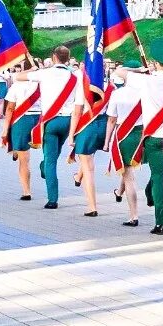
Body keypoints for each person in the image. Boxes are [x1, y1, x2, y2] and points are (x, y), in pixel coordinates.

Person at [127, 39, 163, 235]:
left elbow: (120, 73)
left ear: (155, 62)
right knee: (159, 173)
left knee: (158, 176)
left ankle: (161, 221)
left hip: (153, 135)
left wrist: (142, 72)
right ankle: (150, 192)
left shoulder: (146, 80)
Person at [29, 46, 78, 211]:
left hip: (51, 120)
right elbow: (78, 104)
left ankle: (52, 199)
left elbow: (19, 77)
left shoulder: (44, 73)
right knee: (53, 156)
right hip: (68, 121)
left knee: (50, 161)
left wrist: (34, 69)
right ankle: (44, 167)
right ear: (68, 58)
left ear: (54, 57)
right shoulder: (75, 75)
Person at [105, 57, 147, 228]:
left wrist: (107, 141)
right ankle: (119, 191)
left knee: (128, 176)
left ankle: (134, 215)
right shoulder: (146, 92)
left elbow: (111, 120)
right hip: (141, 133)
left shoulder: (117, 93)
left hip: (123, 133)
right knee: (127, 168)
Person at [68, 60, 109, 217]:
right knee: (88, 157)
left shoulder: (83, 87)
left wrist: (71, 135)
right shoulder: (109, 85)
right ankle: (78, 176)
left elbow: (77, 113)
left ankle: (92, 206)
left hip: (87, 127)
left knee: (88, 167)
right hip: (103, 125)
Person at [0, 68, 42, 201]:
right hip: (40, 119)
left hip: (22, 120)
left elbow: (10, 108)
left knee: (24, 160)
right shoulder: (42, 84)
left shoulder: (16, 85)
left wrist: (5, 130)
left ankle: (26, 191)